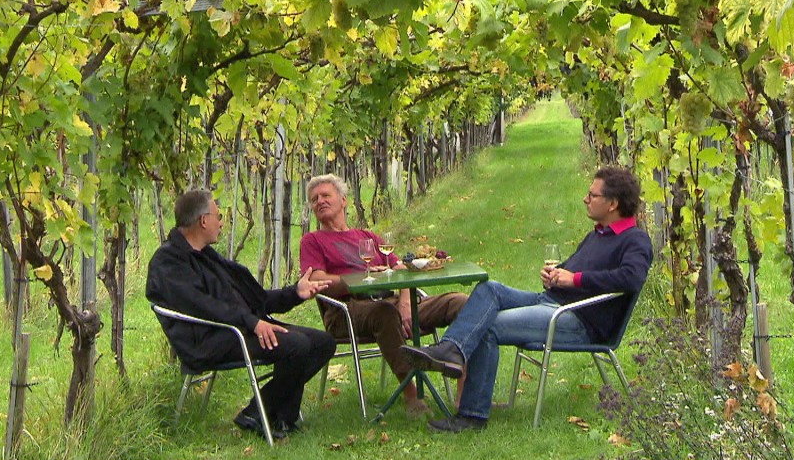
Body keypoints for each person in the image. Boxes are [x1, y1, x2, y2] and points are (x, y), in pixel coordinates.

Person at [401, 166, 653, 432]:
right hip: (550, 302)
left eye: (592, 195)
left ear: (612, 203)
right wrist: (556, 275)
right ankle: (452, 349)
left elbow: (632, 278)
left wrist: (574, 279)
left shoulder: (635, 240)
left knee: (488, 327)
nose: (585, 199)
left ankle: (472, 416)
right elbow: (574, 269)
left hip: (578, 320)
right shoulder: (597, 234)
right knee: (490, 288)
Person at [146, 189, 336, 440]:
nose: (222, 222)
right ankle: (273, 416)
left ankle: (261, 412)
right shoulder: (168, 262)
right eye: (218, 215)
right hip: (207, 339)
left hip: (236, 330)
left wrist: (295, 293)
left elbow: (256, 300)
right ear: (203, 221)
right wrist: (252, 322)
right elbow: (204, 306)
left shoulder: (208, 257)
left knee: (323, 343)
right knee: (297, 345)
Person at [299, 174, 468, 416]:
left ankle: (467, 393)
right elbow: (315, 279)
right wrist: (366, 280)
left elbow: (400, 270)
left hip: (393, 302)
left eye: (326, 195)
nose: (320, 201)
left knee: (460, 303)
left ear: (344, 200)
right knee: (385, 313)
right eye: (314, 199)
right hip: (347, 311)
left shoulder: (368, 237)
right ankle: (411, 395)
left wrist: (407, 304)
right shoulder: (312, 240)